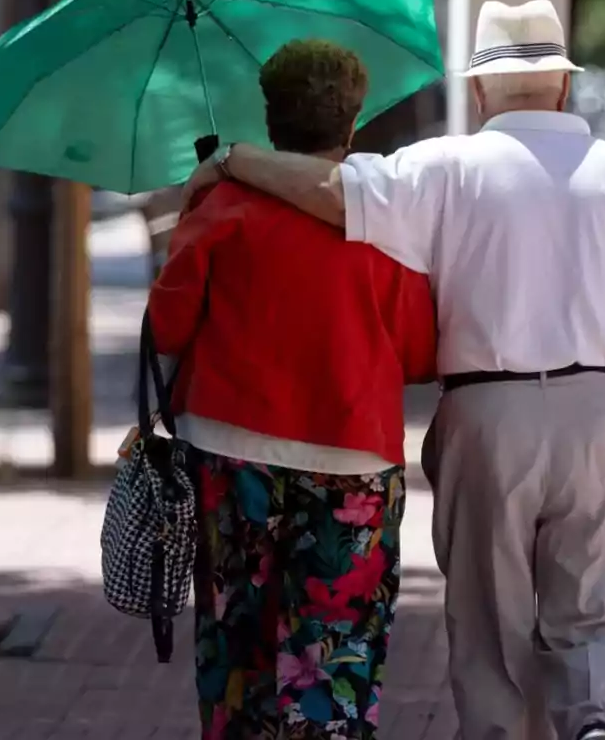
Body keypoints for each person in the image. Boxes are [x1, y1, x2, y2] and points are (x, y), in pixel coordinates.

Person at [182, 0, 605, 740]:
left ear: (481, 92)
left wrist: (233, 159)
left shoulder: (443, 166)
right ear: (561, 87)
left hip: (490, 416)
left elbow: (329, 194)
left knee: (492, 623)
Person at [148, 39, 438, 739]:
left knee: (237, 653)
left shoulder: (222, 206)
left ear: (271, 119)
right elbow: (422, 352)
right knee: (335, 655)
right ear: (352, 121)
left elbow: (167, 323)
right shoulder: (384, 221)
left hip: (229, 451)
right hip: (351, 463)